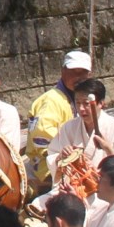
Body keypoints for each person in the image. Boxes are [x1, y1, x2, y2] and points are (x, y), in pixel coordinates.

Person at [44, 77, 114, 200]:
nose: (81, 109)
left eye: (86, 103)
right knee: (38, 204)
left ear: (101, 103)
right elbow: (53, 154)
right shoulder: (69, 127)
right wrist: (61, 156)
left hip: (104, 192)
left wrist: (108, 150)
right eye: (77, 103)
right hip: (71, 188)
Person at [25, 49, 93, 188]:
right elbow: (41, 138)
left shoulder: (80, 98)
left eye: (83, 73)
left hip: (76, 166)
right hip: (49, 170)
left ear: (89, 75)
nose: (78, 77)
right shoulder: (52, 100)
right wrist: (65, 152)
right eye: (74, 72)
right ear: (63, 71)